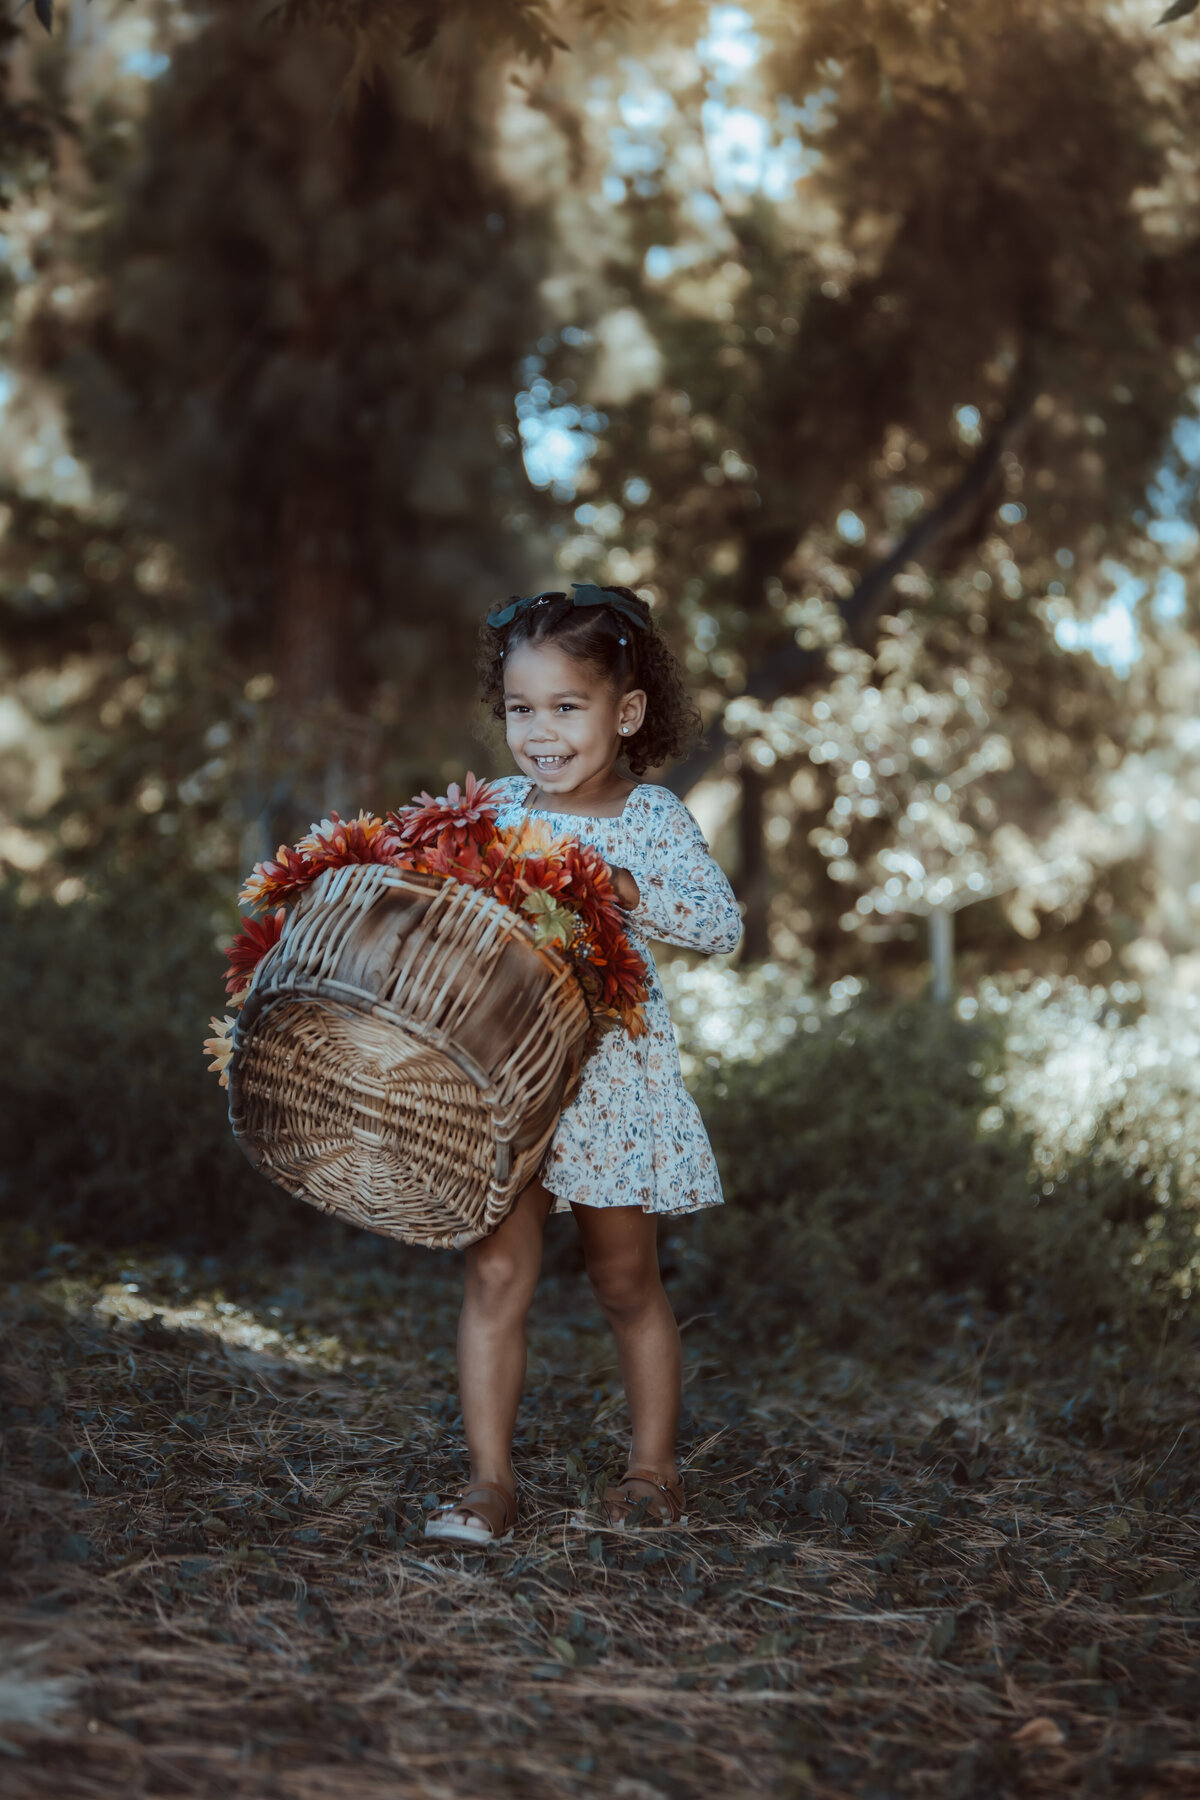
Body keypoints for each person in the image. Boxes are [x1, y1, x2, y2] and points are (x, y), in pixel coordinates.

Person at [424, 583, 743, 1546]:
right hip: (505, 1086)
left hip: (610, 1086)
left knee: (624, 1283)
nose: (542, 732)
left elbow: (720, 925)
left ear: (627, 711)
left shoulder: (652, 818)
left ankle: (653, 1473)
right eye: (523, 709)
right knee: (494, 1272)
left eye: (568, 706)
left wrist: (621, 881)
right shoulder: (496, 810)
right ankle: (489, 1483)